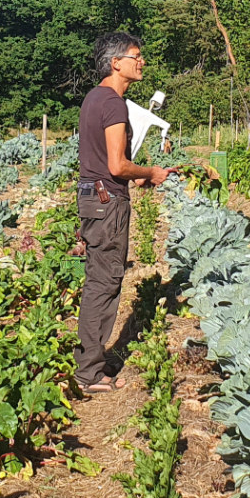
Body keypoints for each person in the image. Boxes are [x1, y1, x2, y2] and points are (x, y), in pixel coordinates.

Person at [75, 31, 169, 394]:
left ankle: (92, 357)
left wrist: (134, 178)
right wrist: (150, 173)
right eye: (136, 56)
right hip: (107, 202)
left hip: (92, 197)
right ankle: (90, 372)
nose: (141, 61)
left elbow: (101, 162)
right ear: (116, 63)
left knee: (98, 279)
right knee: (105, 282)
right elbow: (116, 165)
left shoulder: (93, 99)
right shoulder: (114, 103)